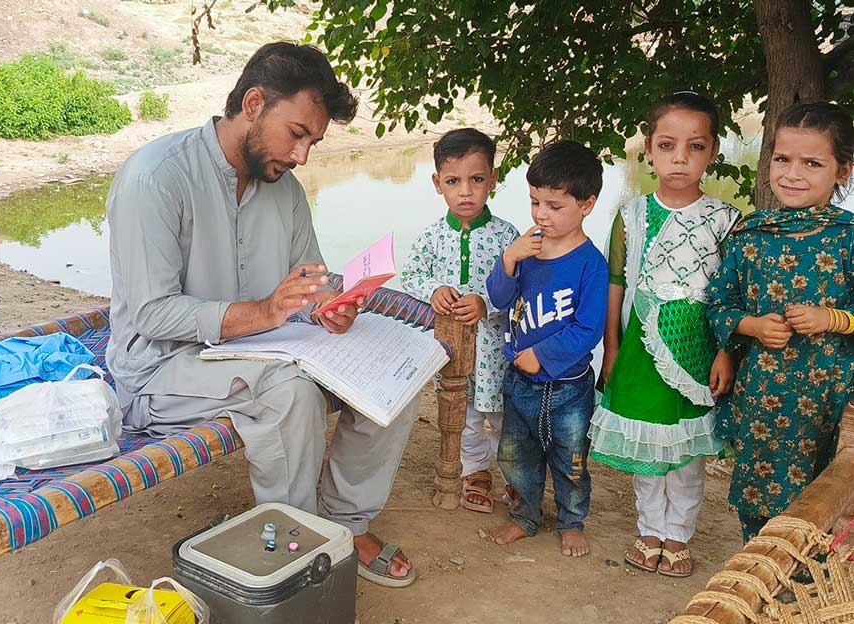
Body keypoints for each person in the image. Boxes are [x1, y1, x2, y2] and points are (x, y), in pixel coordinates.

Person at [105, 42, 417, 587]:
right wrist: (267, 311)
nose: (302, 157)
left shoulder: (285, 191)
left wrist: (331, 305)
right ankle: (296, 547)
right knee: (288, 392)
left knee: (398, 365)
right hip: (163, 368)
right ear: (253, 104)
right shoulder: (155, 179)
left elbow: (311, 280)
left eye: (313, 142)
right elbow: (153, 314)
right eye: (297, 134)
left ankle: (344, 519)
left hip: (263, 347)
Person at [588, 92, 739, 577]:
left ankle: (679, 535)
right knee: (648, 445)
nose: (680, 158)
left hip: (697, 350)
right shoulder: (630, 216)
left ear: (712, 152)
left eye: (695, 147)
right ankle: (649, 528)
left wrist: (726, 353)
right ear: (648, 150)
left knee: (687, 450)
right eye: (668, 145)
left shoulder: (726, 220)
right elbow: (616, 284)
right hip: (638, 349)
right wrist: (611, 349)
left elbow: (730, 295)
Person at [707, 100, 854, 542]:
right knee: (760, 491)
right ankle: (760, 568)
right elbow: (719, 301)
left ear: (842, 171)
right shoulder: (750, 233)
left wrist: (831, 318)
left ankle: (810, 581)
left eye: (812, 163)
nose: (792, 174)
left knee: (825, 492)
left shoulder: (849, 237)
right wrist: (746, 330)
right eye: (782, 159)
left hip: (831, 393)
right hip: (762, 391)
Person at [485, 140, 608, 557]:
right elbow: (499, 299)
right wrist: (508, 260)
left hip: (568, 387)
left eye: (555, 206)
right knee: (517, 455)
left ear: (587, 204)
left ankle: (572, 522)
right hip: (519, 382)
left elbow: (589, 329)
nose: (541, 215)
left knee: (570, 458)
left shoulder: (591, 264)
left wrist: (544, 354)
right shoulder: (527, 249)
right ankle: (525, 516)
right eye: (536, 202)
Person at [401, 128, 518, 514]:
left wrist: (486, 303)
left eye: (477, 180)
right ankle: (475, 473)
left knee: (503, 418)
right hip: (451, 351)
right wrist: (433, 289)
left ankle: (517, 478)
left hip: (497, 350)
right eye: (454, 181)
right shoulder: (431, 237)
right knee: (464, 415)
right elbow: (412, 276)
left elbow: (521, 287)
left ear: (493, 180)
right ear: (438, 184)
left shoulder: (507, 237)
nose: (465, 191)